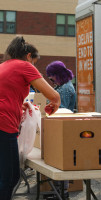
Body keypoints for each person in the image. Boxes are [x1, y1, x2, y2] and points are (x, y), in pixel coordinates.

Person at [0, 36, 61, 200]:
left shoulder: (3, 66)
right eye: (34, 62)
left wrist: (19, 106)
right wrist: (55, 103)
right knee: (10, 177)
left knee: (5, 175)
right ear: (28, 56)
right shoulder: (25, 66)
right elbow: (53, 95)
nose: (34, 66)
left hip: (4, 121)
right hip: (4, 125)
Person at [46, 61, 76, 198]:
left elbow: (60, 110)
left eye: (51, 77)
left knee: (60, 162)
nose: (50, 80)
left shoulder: (64, 89)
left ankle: (62, 194)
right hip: (62, 128)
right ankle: (60, 192)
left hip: (61, 128)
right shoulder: (63, 86)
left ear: (57, 75)